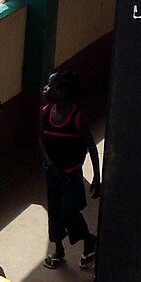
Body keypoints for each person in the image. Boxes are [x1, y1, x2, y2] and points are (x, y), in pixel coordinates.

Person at [39, 70, 101, 270]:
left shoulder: (77, 118)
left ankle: (88, 239)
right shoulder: (46, 112)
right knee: (54, 212)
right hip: (52, 173)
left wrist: (97, 178)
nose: (46, 89)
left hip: (71, 173)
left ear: (64, 93)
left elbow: (91, 146)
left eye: (51, 86)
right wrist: (51, 165)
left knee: (68, 212)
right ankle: (58, 250)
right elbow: (40, 140)